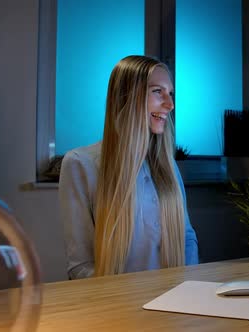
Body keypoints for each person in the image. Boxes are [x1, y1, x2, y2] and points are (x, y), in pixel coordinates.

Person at [59, 55, 199, 279]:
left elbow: (187, 238)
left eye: (170, 93)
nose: (170, 104)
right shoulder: (79, 164)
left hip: (172, 303)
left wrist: (189, 290)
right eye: (157, 92)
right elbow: (80, 265)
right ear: (127, 96)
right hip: (117, 308)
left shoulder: (167, 165)